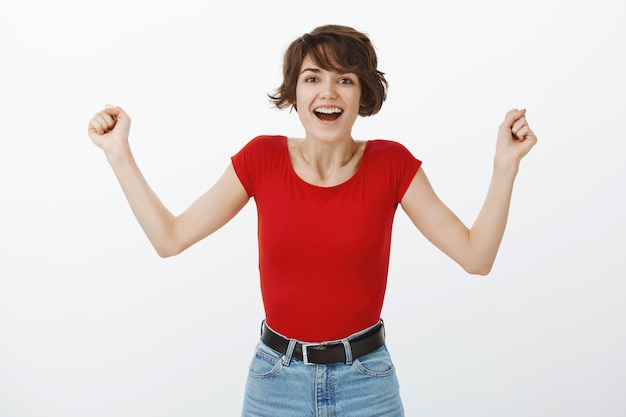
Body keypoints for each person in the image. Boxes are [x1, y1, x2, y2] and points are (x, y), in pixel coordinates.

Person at [88, 24, 536, 417]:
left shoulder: (393, 165)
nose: (328, 91)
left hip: (368, 384)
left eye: (345, 79)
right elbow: (170, 238)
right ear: (294, 93)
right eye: (312, 78)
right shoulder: (261, 159)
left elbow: (476, 256)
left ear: (363, 95)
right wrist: (118, 154)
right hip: (275, 384)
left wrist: (504, 167)